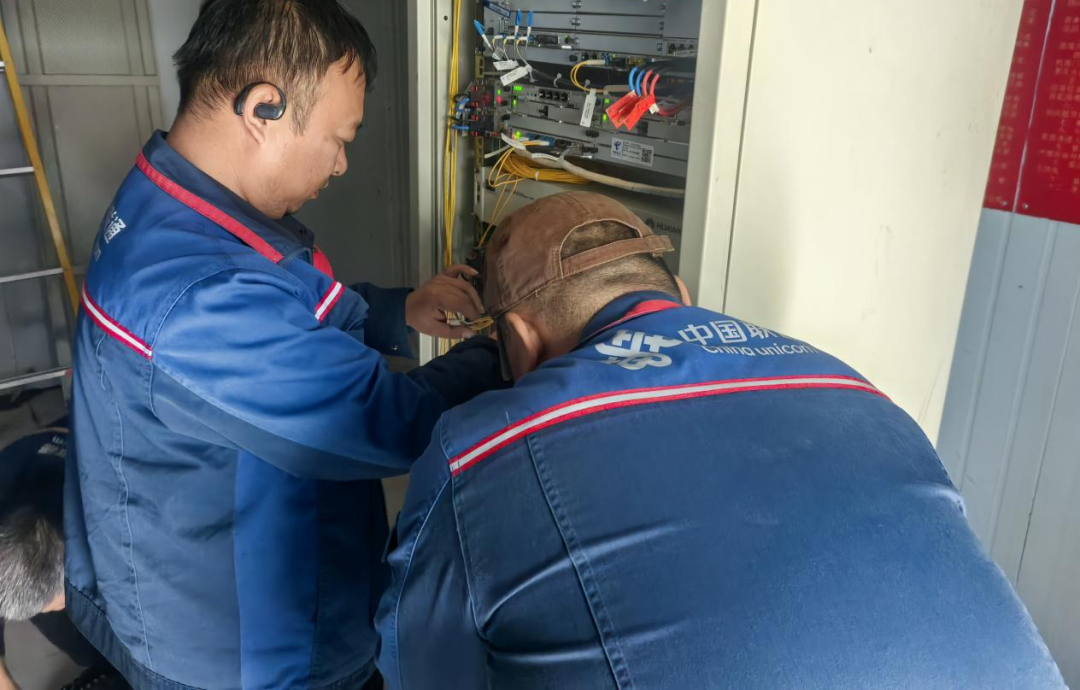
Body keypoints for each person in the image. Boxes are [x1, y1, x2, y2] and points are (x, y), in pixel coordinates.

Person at [376, 191, 1064, 689]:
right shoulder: (853, 385)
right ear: (679, 291)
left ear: (522, 342)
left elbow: (417, 665)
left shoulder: (477, 453)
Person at [65, 0, 503, 690]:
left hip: (180, 574)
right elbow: (389, 420)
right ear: (263, 107)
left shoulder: (170, 205)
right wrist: (510, 346)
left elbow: (282, 314)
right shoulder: (200, 296)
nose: (342, 163)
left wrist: (396, 312)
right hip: (240, 657)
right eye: (339, 138)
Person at [0, 392, 125, 690]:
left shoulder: (118, 511)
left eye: (51, 604)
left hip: (103, 446)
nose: (48, 611)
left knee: (105, 649)